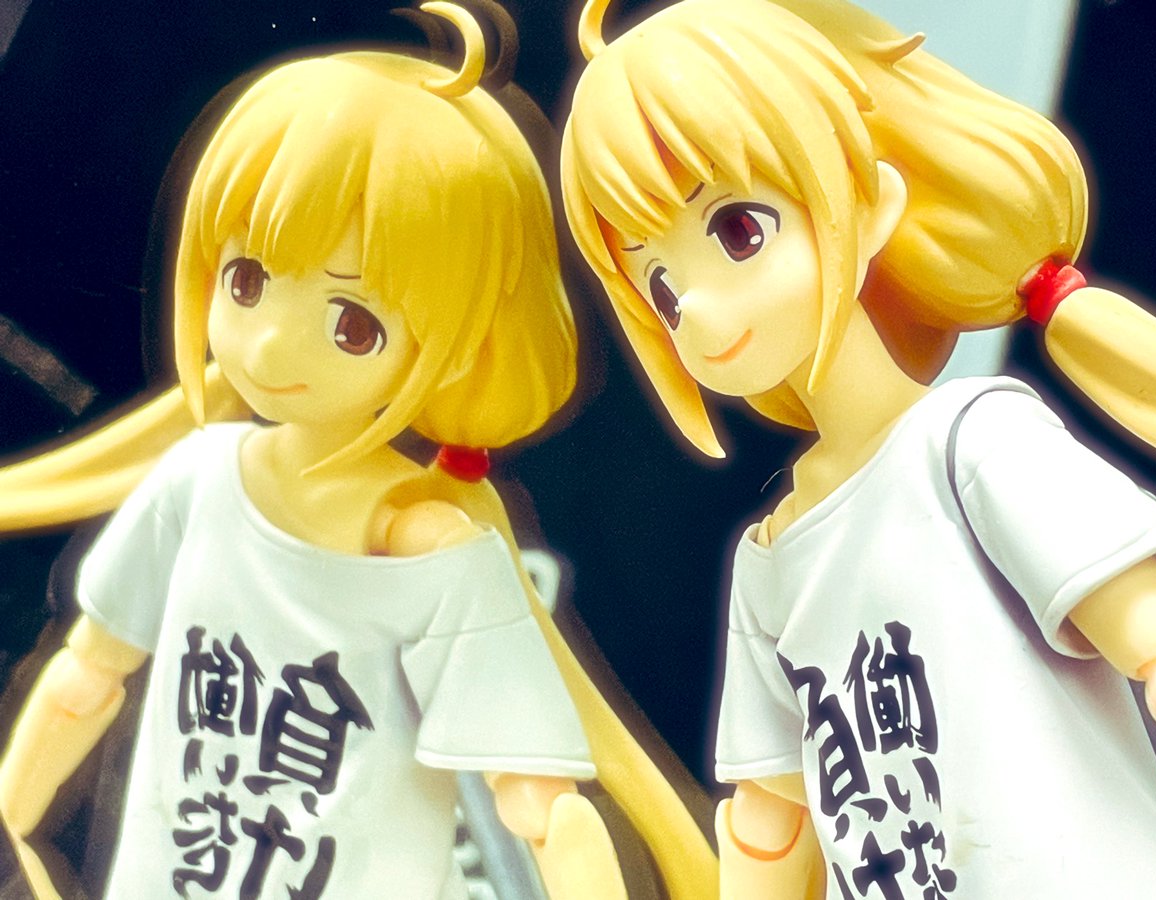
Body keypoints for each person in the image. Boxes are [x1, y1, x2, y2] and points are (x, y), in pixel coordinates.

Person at [0, 3, 716, 897]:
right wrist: (15, 826)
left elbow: (541, 804)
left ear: (460, 340)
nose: (269, 346)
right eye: (246, 280)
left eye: (352, 324)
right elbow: (84, 679)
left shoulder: (435, 552)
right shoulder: (196, 481)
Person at [561, 0, 1156, 896]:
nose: (696, 307)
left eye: (738, 231)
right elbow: (771, 821)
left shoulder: (971, 446)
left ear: (867, 203)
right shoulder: (772, 561)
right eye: (661, 286)